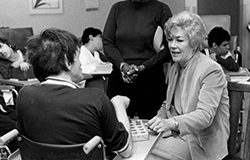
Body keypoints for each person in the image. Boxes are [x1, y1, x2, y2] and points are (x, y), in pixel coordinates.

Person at [16, 28, 133, 158]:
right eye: (77, 58)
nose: (80, 64)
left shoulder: (24, 95)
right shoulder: (95, 99)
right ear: (67, 62)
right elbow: (126, 150)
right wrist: (119, 105)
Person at [146, 11, 230, 160]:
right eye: (170, 39)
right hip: (177, 135)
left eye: (179, 40)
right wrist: (155, 123)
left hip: (200, 143)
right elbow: (169, 104)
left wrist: (170, 123)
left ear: (194, 42)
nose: (172, 45)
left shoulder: (211, 69)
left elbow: (205, 116)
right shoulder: (174, 67)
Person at [103, 0, 172, 119]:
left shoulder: (161, 9)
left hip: (151, 78)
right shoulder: (117, 8)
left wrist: (143, 67)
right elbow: (108, 42)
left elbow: (169, 47)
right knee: (115, 126)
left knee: (152, 126)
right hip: (120, 77)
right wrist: (122, 65)